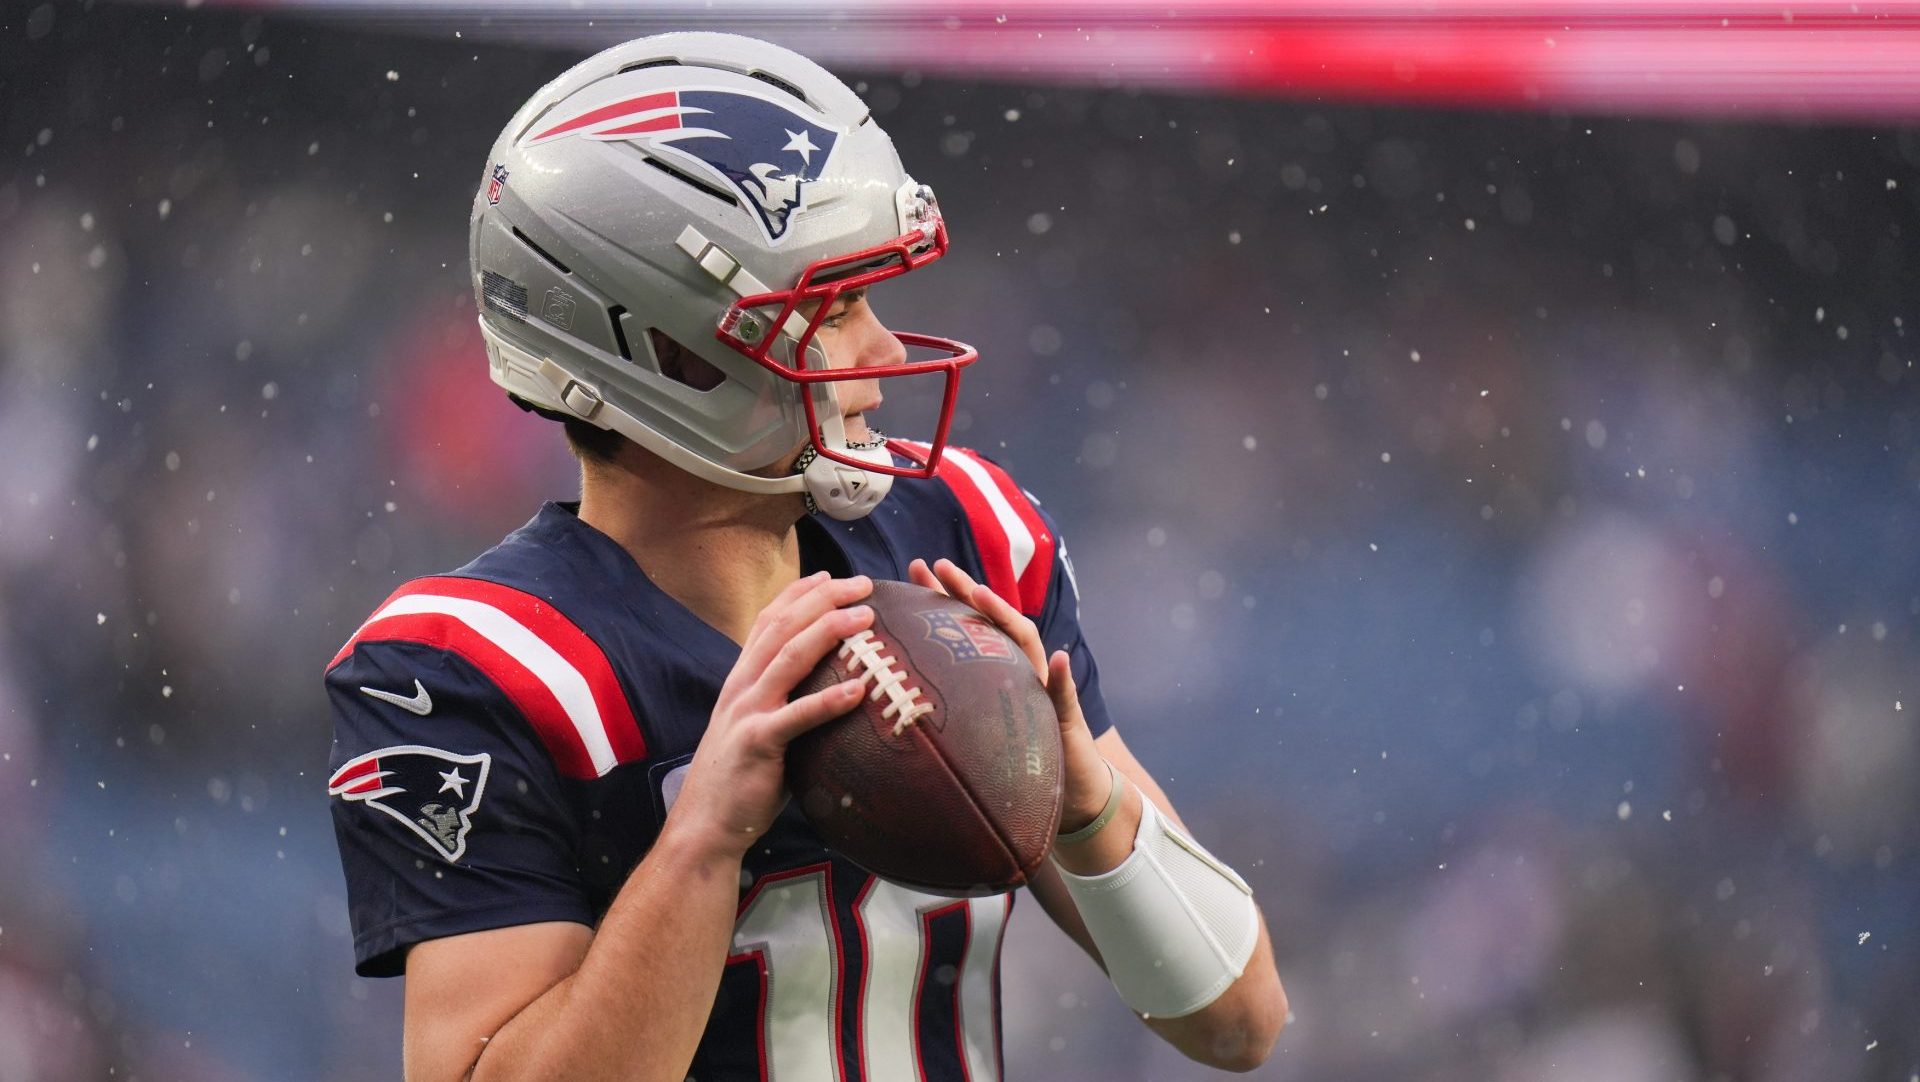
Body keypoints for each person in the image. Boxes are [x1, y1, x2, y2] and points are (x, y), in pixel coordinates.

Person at [325, 32, 1286, 1082]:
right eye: (831, 310)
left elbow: (1238, 1021)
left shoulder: (960, 537)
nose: (880, 352)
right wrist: (702, 840)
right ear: (673, 354)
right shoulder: (471, 668)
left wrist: (1087, 800)